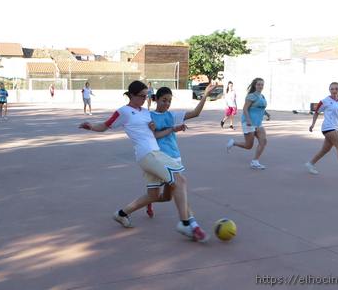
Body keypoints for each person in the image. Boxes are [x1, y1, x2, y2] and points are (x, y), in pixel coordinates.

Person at [79, 81, 209, 242]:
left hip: (152, 153)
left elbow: (154, 133)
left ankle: (121, 214)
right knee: (180, 180)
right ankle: (185, 223)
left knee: (153, 195)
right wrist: (90, 126)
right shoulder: (124, 112)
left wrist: (156, 128)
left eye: (146, 96)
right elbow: (105, 125)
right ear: (131, 95)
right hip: (148, 154)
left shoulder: (146, 113)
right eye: (141, 96)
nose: (144, 99)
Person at [146, 83, 216, 218]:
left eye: (169, 101)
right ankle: (190, 222)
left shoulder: (172, 116)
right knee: (180, 188)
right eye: (164, 100)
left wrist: (205, 94)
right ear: (156, 99)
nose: (167, 104)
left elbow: (195, 113)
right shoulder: (149, 116)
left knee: (167, 197)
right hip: (159, 158)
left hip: (174, 157)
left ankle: (149, 200)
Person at [305, 82, 338, 177]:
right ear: (329, 90)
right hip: (328, 127)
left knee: (325, 150)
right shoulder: (324, 101)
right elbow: (316, 112)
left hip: (336, 128)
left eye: (336, 89)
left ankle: (310, 164)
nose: (334, 90)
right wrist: (312, 125)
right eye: (332, 89)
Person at [227, 77, 268, 170]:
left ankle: (255, 162)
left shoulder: (262, 96)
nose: (260, 86)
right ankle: (234, 143)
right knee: (249, 146)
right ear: (255, 85)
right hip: (248, 122)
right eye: (258, 84)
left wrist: (267, 114)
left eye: (262, 84)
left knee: (264, 141)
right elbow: (245, 109)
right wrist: (249, 120)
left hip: (258, 123)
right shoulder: (251, 96)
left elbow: (261, 108)